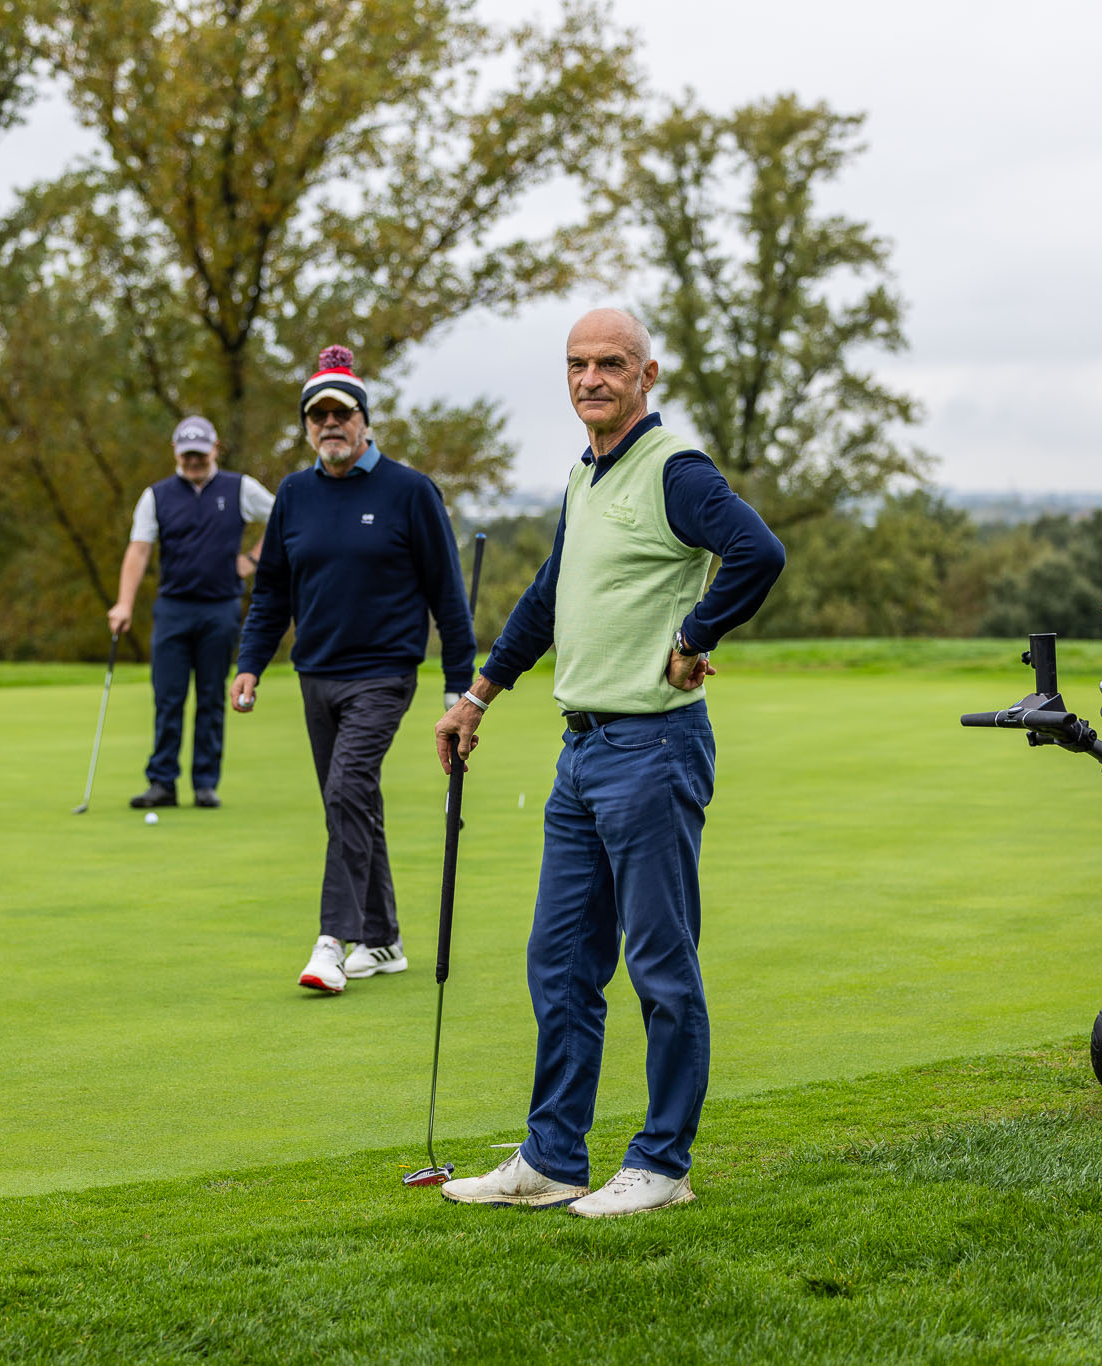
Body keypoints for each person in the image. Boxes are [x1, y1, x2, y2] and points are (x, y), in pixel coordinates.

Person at [432, 308, 785, 1218]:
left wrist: (695, 636)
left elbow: (758, 552)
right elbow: (549, 595)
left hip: (653, 747)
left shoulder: (675, 470)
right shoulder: (584, 477)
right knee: (559, 963)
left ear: (646, 375)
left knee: (662, 967)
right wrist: (479, 696)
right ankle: (553, 1158)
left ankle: (662, 1164)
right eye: (577, 364)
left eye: (611, 364)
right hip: (581, 751)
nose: (591, 379)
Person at [233, 346, 476, 995]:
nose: (330, 424)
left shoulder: (409, 491)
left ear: (364, 419)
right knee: (352, 801)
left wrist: (460, 686)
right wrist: (250, 663)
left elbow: (447, 593)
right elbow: (272, 592)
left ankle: (332, 942)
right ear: (308, 426)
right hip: (316, 674)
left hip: (383, 675)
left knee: (346, 790)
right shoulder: (294, 494)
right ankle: (384, 939)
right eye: (319, 415)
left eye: (342, 412)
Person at [108, 415, 272, 810]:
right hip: (173, 608)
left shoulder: (240, 488)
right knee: (168, 697)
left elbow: (283, 518)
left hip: (221, 607)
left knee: (212, 697)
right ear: (175, 453)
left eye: (200, 453)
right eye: (187, 455)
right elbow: (139, 550)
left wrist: (252, 559)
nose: (194, 461)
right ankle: (162, 782)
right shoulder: (157, 495)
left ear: (215, 449)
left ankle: (205, 784)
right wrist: (124, 602)